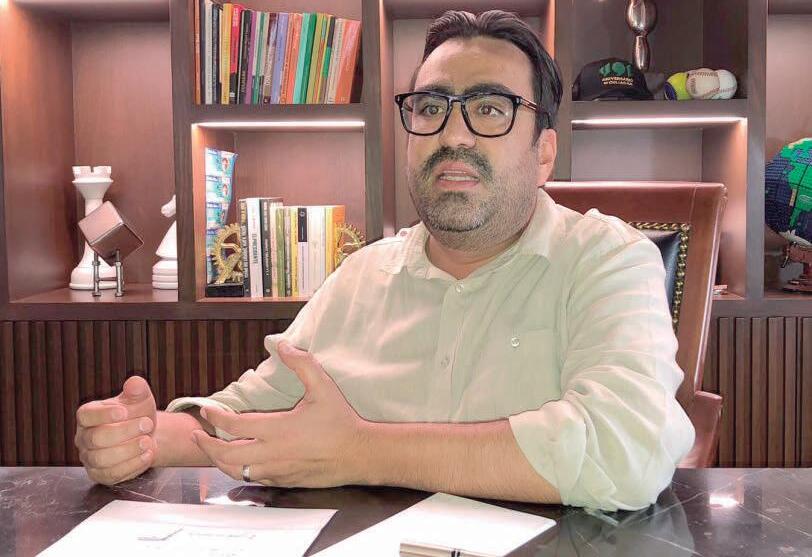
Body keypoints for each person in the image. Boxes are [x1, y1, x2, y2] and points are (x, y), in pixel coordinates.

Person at [74, 10, 694, 511]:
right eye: (431, 108)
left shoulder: (609, 261)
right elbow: (252, 414)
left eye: (490, 109)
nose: (454, 135)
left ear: (545, 153)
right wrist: (144, 437)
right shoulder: (361, 276)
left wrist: (360, 450)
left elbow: (628, 451)